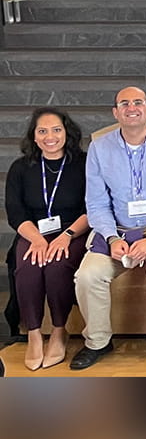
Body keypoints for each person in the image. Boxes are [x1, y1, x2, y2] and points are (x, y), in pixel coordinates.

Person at [71, 86, 146, 370]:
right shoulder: (100, 148)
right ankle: (98, 341)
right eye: (124, 103)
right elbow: (97, 203)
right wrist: (112, 238)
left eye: (138, 102)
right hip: (117, 230)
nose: (131, 107)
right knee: (88, 275)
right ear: (116, 112)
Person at [6, 107, 89, 370]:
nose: (49, 136)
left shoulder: (83, 163)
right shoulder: (21, 168)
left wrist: (66, 236)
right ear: (34, 136)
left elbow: (93, 207)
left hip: (72, 231)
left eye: (56, 130)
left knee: (56, 267)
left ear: (67, 132)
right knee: (28, 268)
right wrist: (38, 240)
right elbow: (15, 212)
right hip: (33, 233)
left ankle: (58, 330)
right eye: (42, 131)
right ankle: (32, 333)